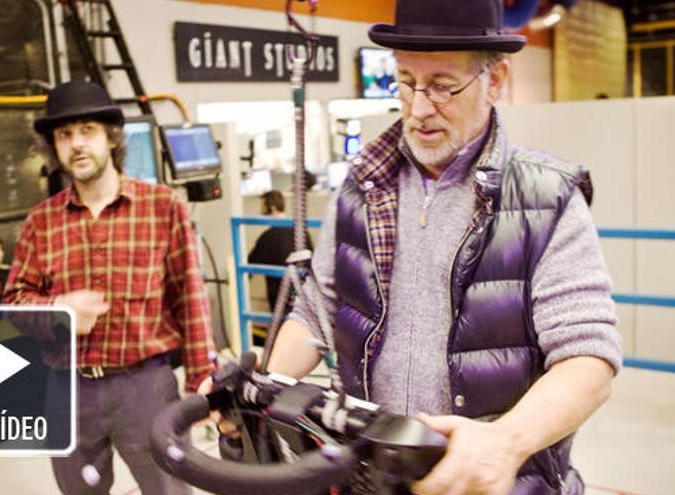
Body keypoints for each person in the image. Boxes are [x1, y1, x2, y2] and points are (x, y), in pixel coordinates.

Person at [263, 1, 623, 494]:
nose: (418, 107)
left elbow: (589, 359)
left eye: (442, 86)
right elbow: (316, 313)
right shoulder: (361, 188)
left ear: (495, 81)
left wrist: (506, 443)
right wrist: (259, 390)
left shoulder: (548, 198)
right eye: (406, 81)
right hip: (372, 476)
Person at [3, 80, 215, 495]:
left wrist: (201, 381)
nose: (76, 144)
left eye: (87, 131)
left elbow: (189, 297)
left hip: (146, 387)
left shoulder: (162, 207)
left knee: (168, 489)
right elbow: (15, 303)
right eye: (64, 135)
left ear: (111, 137)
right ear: (53, 147)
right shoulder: (41, 222)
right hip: (69, 388)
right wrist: (60, 311)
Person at [247, 190, 313, 316]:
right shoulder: (301, 231)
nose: (261, 211)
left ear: (271, 207)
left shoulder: (267, 237)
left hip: (279, 299)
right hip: (303, 296)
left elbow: (250, 267)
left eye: (263, 206)